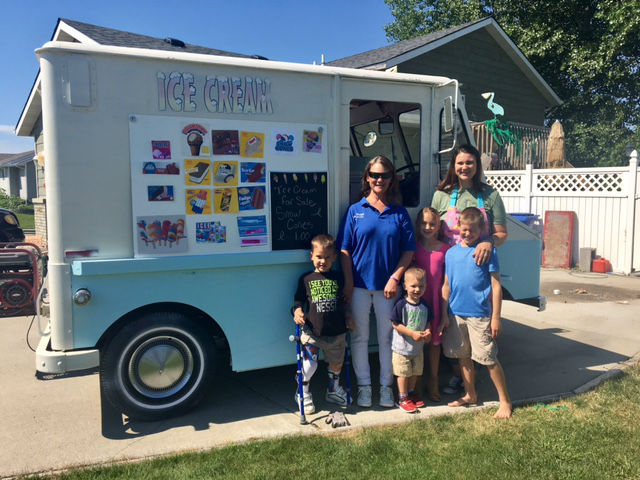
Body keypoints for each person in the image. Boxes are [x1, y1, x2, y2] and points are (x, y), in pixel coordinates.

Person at [339, 155, 416, 408]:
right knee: (360, 338)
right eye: (374, 175)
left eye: (384, 175)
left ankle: (385, 387)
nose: (378, 180)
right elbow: (345, 251)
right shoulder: (355, 210)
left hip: (388, 288)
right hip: (360, 287)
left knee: (387, 338)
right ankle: (363, 387)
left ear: (392, 178)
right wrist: (349, 284)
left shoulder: (399, 212)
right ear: (367, 178)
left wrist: (396, 277)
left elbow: (408, 250)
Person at [441, 207, 512, 419]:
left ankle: (504, 400)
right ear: (458, 228)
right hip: (455, 314)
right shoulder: (451, 253)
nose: (467, 234)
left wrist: (496, 317)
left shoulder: (488, 252)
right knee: (463, 357)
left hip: (480, 315)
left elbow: (496, 285)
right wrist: (444, 313)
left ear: (481, 229)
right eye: (464, 230)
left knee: (488, 358)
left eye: (472, 230)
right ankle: (470, 394)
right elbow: (446, 284)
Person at [293, 234, 354, 414]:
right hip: (313, 331)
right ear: (311, 256)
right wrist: (297, 312)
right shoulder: (306, 279)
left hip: (336, 331)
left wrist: (349, 317)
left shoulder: (338, 277)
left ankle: (333, 390)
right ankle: (302, 392)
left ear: (334, 257)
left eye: (328, 257)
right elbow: (297, 301)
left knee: (336, 364)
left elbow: (344, 303)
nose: (323, 261)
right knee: (310, 364)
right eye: (319, 257)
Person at [431, 144, 508, 265]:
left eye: (469, 163)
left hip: (479, 266)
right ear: (453, 166)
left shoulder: (491, 195)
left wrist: (488, 242)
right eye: (460, 163)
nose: (464, 167)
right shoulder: (440, 195)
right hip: (447, 266)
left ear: (477, 165)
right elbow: (432, 233)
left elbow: (502, 234)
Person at [413, 207, 449, 401]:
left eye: (432, 224)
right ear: (418, 225)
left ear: (439, 226)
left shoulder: (445, 250)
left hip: (436, 302)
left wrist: (444, 314)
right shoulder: (414, 249)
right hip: (418, 304)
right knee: (419, 342)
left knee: (435, 344)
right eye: (424, 223)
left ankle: (433, 380)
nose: (428, 227)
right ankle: (416, 383)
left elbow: (446, 282)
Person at [390, 266, 431, 413]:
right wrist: (412, 333)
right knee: (403, 373)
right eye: (413, 286)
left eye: (421, 286)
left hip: (417, 348)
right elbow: (395, 324)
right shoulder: (401, 305)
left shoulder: (425, 305)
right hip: (402, 348)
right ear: (405, 286)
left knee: (415, 372)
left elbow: (428, 322)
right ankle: (402, 397)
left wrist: (428, 331)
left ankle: (412, 393)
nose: (417, 289)